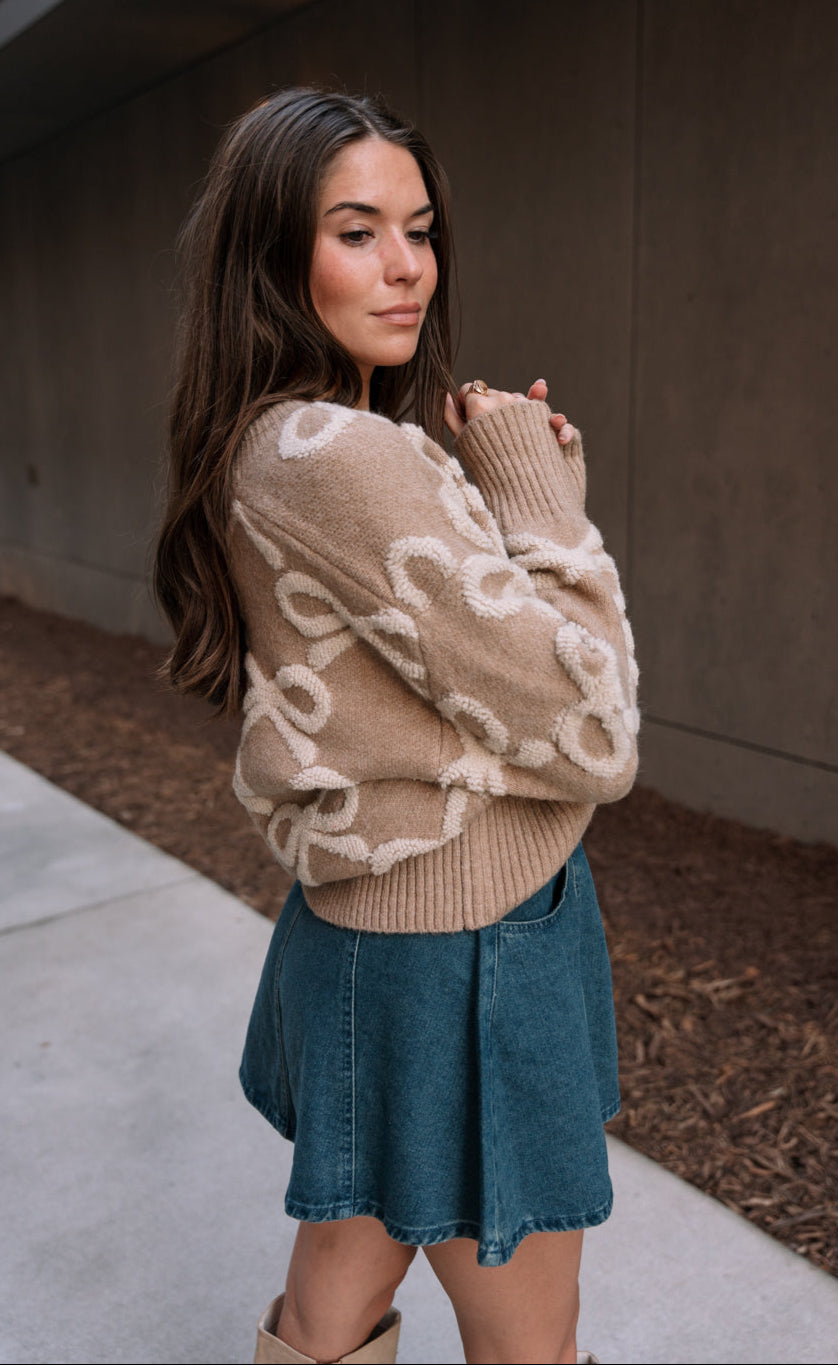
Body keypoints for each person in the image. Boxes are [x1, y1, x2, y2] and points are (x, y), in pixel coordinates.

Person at [153, 86, 639, 1365]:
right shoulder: (345, 457)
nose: (407, 265)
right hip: (468, 944)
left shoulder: (280, 439)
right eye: (355, 230)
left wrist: (501, 500)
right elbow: (593, 728)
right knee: (529, 1340)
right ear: (273, 251)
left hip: (375, 929)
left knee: (336, 1291)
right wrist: (544, 501)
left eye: (418, 228)